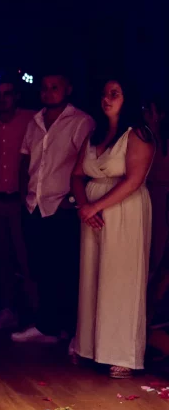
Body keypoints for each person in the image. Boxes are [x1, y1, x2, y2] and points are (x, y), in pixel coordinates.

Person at [71, 79, 154, 378]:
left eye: (114, 94)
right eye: (104, 94)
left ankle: (123, 351)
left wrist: (95, 206)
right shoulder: (95, 135)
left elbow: (133, 180)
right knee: (93, 276)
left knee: (121, 277)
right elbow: (77, 175)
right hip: (92, 213)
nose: (107, 99)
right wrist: (84, 206)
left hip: (123, 210)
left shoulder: (138, 135)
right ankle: (91, 346)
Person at [13, 73, 95, 344]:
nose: (48, 92)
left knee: (67, 269)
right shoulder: (35, 121)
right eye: (44, 88)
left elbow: (87, 166)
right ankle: (46, 325)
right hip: (34, 203)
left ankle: (71, 330)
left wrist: (70, 201)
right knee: (41, 268)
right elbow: (26, 160)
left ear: (68, 88)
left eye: (55, 87)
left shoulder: (81, 121)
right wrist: (25, 193)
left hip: (62, 206)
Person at [0, 75, 35, 330]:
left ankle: (36, 314)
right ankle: (7, 309)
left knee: (28, 258)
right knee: (0, 259)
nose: (2, 99)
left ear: (17, 96)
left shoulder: (31, 120)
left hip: (21, 201)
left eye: (8, 93)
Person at [142, 97, 169, 271]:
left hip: (162, 199)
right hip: (145, 195)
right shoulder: (141, 137)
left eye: (150, 111)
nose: (146, 114)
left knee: (158, 244)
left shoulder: (163, 142)